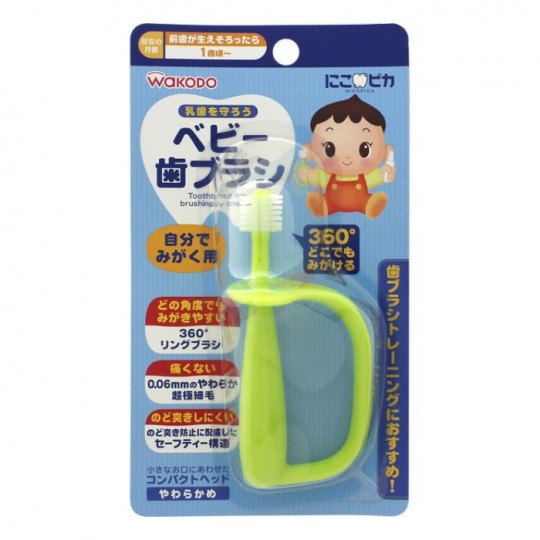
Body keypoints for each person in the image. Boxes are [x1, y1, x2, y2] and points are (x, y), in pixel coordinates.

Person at [298, 95, 396, 218]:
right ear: (311, 150)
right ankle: (322, 205)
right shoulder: (325, 176)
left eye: (364, 150)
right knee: (323, 203)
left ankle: (370, 205)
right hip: (331, 203)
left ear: (384, 152)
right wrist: (307, 175)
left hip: (362, 202)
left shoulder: (367, 176)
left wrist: (386, 173)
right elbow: (313, 177)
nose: (347, 157)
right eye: (329, 149)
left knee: (368, 202)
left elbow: (382, 176)